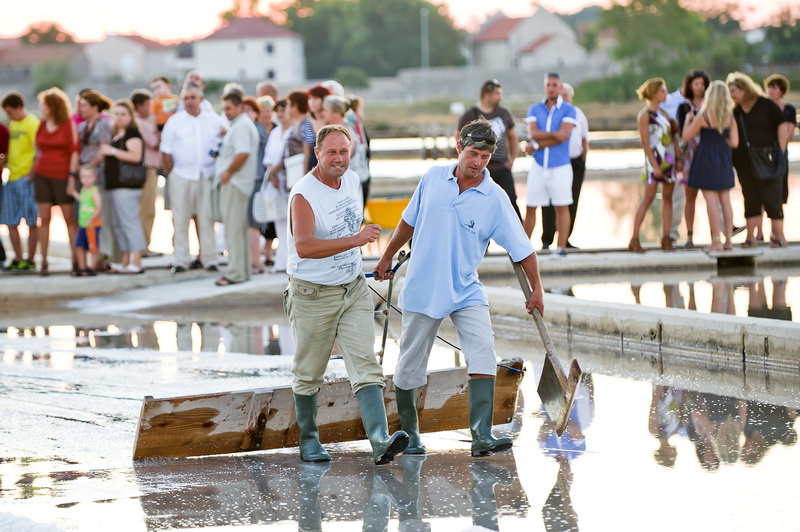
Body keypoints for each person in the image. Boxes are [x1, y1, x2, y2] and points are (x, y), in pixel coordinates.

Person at [375, 119, 545, 457]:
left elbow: (522, 248)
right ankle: (410, 434)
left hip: (465, 287)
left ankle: (481, 435)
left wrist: (537, 288)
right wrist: (386, 257)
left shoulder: (495, 198)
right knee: (409, 365)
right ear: (458, 146)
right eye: (473, 153)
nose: (478, 161)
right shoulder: (433, 178)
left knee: (482, 350)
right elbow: (408, 221)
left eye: (485, 156)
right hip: (423, 285)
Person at [285, 124, 408, 465]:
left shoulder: (352, 180)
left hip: (353, 287)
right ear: (317, 154)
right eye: (331, 152)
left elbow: (349, 223)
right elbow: (304, 245)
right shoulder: (303, 194)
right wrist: (356, 240)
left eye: (344, 151)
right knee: (309, 370)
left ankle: (380, 440)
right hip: (311, 293)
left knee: (366, 362)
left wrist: (371, 255)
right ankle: (309, 439)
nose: (339, 158)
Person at [160, 82, 224, 273]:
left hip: (206, 175)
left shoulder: (214, 119)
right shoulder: (174, 121)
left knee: (206, 219)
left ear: (200, 99)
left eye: (192, 97)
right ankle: (180, 260)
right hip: (181, 176)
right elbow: (166, 152)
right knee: (180, 220)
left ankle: (210, 259)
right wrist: (172, 174)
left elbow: (224, 141)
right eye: (186, 98)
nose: (189, 101)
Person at [727, 72, 790, 248]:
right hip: (744, 161)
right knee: (750, 197)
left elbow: (782, 125)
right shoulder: (735, 111)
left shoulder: (766, 104)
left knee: (773, 197)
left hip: (768, 159)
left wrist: (780, 151)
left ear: (744, 89)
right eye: (730, 91)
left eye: (734, 91)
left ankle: (778, 236)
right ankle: (750, 238)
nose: (731, 95)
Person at [524, 72, 577, 257]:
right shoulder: (534, 109)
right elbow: (533, 133)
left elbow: (564, 136)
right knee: (531, 206)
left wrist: (538, 143)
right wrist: (554, 134)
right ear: (544, 87)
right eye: (549, 84)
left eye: (555, 85)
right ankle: (522, 249)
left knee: (562, 206)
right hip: (539, 165)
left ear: (560, 87)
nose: (552, 88)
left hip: (560, 166)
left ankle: (561, 247)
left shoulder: (570, 110)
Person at [682, 80, 739, 251]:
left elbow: (686, 136)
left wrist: (688, 120)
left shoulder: (704, 115)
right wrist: (723, 141)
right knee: (725, 200)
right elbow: (735, 142)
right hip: (723, 158)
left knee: (711, 201)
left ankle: (716, 241)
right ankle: (728, 241)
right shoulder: (730, 116)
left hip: (706, 158)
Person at [629, 78, 681, 253]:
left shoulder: (665, 115)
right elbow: (645, 142)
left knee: (668, 198)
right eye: (663, 91)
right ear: (653, 93)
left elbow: (673, 138)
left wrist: (679, 158)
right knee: (648, 199)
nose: (666, 94)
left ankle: (666, 238)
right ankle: (635, 239)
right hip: (654, 162)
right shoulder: (644, 116)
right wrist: (655, 165)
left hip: (669, 161)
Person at [456, 79, 520, 218]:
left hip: (502, 167)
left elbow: (513, 136)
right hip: (479, 170)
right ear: (487, 94)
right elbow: (458, 137)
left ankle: (519, 238)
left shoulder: (503, 113)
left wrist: (512, 159)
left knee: (511, 202)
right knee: (478, 205)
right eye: (497, 93)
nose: (500, 97)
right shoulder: (471, 114)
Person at [213, 91, 258, 286]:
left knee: (232, 230)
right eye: (224, 109)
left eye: (229, 108)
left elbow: (243, 153)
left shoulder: (241, 126)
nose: (227, 112)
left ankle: (235, 273)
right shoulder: (240, 125)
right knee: (238, 229)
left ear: (239, 106)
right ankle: (243, 271)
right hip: (239, 183)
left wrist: (228, 172)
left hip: (236, 183)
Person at [33, 87, 79, 276]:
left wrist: (71, 178)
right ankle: (43, 261)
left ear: (54, 106)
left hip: (62, 175)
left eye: (44, 105)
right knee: (43, 217)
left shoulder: (68, 124)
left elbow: (74, 150)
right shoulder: (42, 124)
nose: (41, 108)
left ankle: (76, 260)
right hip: (42, 174)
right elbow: (38, 147)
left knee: (68, 217)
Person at [100, 99, 147, 274]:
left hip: (128, 186)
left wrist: (111, 151)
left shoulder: (132, 134)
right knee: (118, 224)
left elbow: (135, 156)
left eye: (123, 114)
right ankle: (125, 260)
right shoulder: (115, 134)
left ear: (131, 116)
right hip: (114, 185)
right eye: (117, 114)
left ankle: (137, 261)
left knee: (130, 222)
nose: (119, 117)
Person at [541, 82, 588, 249]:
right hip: (555, 161)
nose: (565, 98)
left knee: (572, 201)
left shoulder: (578, 113)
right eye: (562, 95)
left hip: (575, 163)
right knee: (549, 202)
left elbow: (584, 138)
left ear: (571, 97)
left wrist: (583, 160)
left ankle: (565, 239)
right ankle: (547, 240)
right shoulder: (552, 113)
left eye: (567, 95)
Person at [1, 91, 40, 271]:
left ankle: (30, 259)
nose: (9, 116)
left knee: (31, 221)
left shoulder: (32, 123)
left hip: (26, 179)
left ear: (19, 107)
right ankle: (18, 257)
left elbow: (38, 152)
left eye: (10, 112)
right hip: (12, 177)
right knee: (10, 221)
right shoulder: (13, 125)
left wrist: (31, 175)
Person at [676, 70, 710, 249]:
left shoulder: (711, 105)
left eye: (702, 84)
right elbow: (682, 135)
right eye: (696, 84)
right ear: (690, 85)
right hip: (690, 154)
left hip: (708, 153)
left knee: (711, 195)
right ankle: (689, 235)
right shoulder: (684, 108)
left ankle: (717, 235)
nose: (699, 87)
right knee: (690, 196)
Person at [263, 98, 292, 274]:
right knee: (279, 222)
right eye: (277, 110)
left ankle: (291, 263)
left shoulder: (294, 131)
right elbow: (267, 158)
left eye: (284, 109)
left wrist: (276, 171)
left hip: (289, 180)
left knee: (292, 224)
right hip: (275, 182)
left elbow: (288, 157)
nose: (280, 113)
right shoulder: (275, 133)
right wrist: (272, 173)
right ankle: (281, 262)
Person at [130, 89, 160, 251]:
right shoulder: (141, 123)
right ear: (139, 106)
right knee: (147, 210)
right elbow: (155, 142)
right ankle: (144, 248)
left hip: (142, 170)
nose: (151, 108)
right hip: (147, 170)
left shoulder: (137, 122)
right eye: (148, 104)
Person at [243, 96, 270, 274]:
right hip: (248, 179)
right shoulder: (252, 128)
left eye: (249, 110)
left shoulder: (256, 130)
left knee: (253, 223)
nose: (246, 114)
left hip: (256, 179)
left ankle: (255, 262)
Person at [764, 73, 796, 209]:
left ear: (781, 90)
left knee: (780, 182)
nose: (771, 91)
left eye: (774, 88)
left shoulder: (788, 109)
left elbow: (789, 132)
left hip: (781, 150)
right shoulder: (763, 107)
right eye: (769, 87)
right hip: (763, 150)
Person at [68, 165, 102, 276]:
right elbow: (83, 200)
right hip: (83, 225)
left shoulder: (94, 191)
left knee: (93, 247)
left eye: (89, 176)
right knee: (79, 246)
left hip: (92, 225)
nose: (86, 179)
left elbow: (98, 207)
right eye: (83, 176)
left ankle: (92, 268)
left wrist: (91, 219)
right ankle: (82, 267)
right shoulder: (83, 190)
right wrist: (73, 193)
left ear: (94, 178)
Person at [346, 94, 372, 205]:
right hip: (357, 168)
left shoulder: (357, 124)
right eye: (360, 108)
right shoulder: (352, 122)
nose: (363, 111)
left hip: (361, 168)